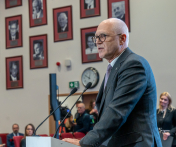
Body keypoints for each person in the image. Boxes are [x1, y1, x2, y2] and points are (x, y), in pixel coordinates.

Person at [63, 18, 162, 147]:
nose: (97, 41)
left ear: (122, 38)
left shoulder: (133, 65)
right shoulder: (114, 68)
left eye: (103, 36)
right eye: (96, 37)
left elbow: (117, 112)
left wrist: (86, 142)